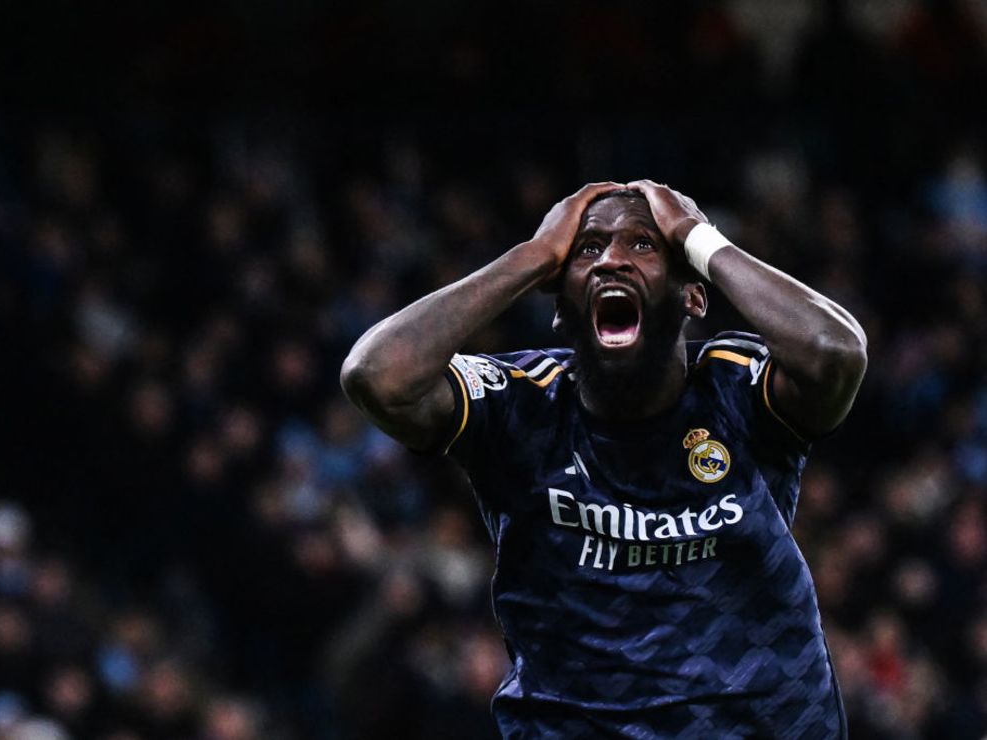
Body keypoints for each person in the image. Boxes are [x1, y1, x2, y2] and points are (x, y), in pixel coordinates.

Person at [340, 180, 867, 738]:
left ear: (692, 294)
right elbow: (377, 376)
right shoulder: (519, 401)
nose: (612, 259)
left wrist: (697, 239)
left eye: (644, 245)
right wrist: (533, 255)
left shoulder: (737, 387)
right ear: (560, 307)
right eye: (588, 249)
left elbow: (834, 352)